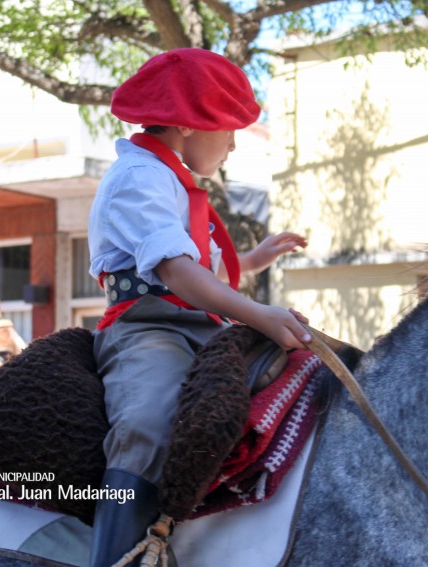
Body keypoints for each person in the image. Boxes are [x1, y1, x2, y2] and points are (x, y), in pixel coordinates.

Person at [87, 48, 311, 567]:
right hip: (149, 329)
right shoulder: (137, 178)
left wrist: (251, 260)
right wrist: (261, 313)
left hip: (204, 327)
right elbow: (177, 273)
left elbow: (199, 264)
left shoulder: (173, 181)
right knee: (148, 419)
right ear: (189, 124)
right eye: (229, 128)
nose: (233, 144)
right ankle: (116, 555)